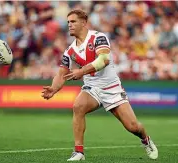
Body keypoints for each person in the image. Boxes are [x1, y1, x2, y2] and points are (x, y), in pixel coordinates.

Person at [41, 9, 158, 161]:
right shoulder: (70, 51)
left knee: (133, 127)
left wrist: (81, 71)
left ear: (83, 23)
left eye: (73, 21)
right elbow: (61, 73)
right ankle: (79, 152)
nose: (69, 25)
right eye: (68, 22)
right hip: (92, 88)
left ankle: (146, 140)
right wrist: (54, 88)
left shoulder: (98, 37)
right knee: (78, 106)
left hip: (112, 88)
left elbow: (103, 60)